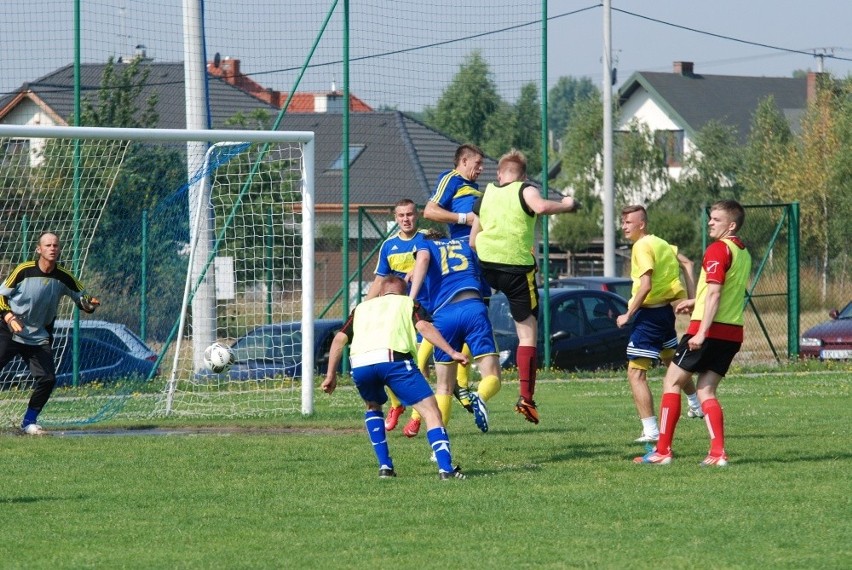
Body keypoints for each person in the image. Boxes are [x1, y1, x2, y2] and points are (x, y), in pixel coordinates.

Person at [635, 200, 752, 466]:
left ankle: (662, 451)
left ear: (731, 225)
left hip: (707, 331)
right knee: (706, 391)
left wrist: (701, 333)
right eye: (710, 218)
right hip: (732, 332)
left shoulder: (718, 249)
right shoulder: (742, 251)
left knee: (671, 383)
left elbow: (715, 292)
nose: (710, 222)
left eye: (716, 219)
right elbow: (722, 292)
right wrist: (695, 303)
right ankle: (717, 454)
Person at [470, 149, 579, 424]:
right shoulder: (525, 189)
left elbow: (473, 240)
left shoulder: (486, 196)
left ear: (499, 173)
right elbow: (541, 207)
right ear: (524, 176)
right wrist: (567, 204)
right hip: (516, 270)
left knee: (481, 315)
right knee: (528, 335)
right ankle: (527, 399)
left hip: (487, 267)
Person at [321, 275, 467, 480]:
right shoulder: (408, 303)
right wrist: (452, 352)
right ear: (404, 292)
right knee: (431, 411)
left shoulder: (361, 308)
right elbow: (424, 327)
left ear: (381, 292)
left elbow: (338, 339)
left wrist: (330, 375)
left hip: (361, 363)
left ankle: (385, 468)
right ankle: (446, 469)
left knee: (373, 407)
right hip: (393, 360)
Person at [616, 205, 705, 443]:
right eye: (622, 222)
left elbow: (645, 285)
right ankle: (696, 404)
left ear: (642, 224)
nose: (624, 226)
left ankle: (651, 430)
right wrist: (689, 296)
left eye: (628, 222)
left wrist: (628, 315)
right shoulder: (661, 243)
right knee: (672, 363)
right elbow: (688, 263)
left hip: (649, 317)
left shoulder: (642, 246)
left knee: (636, 373)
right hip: (666, 314)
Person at [0, 232, 100, 435]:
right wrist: (9, 317)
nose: (52, 248)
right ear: (39, 249)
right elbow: (0, 296)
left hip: (38, 336)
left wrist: (89, 304)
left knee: (48, 379)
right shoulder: (23, 271)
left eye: (55, 245)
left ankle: (29, 423)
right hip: (9, 330)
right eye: (48, 245)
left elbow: (84, 299)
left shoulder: (64, 276)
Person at [408, 232, 501, 434]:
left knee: (444, 388)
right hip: (473, 308)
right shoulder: (467, 244)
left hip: (444, 316)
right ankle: (481, 396)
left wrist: (411, 297)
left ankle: (439, 445)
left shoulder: (425, 245)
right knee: (492, 375)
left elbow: (423, 258)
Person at [364, 198, 429, 432]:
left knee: (419, 365)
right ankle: (396, 404)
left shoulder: (427, 239)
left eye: (410, 214)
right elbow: (380, 280)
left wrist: (419, 268)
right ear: (395, 218)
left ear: (417, 215)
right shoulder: (388, 245)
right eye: (401, 215)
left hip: (424, 311)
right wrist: (364, 307)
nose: (406, 219)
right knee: (388, 363)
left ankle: (416, 416)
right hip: (397, 315)